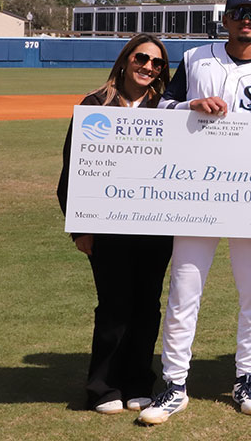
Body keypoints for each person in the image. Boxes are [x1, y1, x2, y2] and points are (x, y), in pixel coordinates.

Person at [139, 0, 251, 425]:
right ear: (225, 19)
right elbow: (160, 107)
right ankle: (174, 384)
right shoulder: (195, 60)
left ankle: (246, 377)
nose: (246, 19)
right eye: (238, 12)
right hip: (196, 192)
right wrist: (190, 105)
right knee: (184, 290)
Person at [57, 34, 173, 415]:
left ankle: (139, 381)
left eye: (156, 63)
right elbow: (73, 170)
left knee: (147, 306)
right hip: (107, 229)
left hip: (155, 229)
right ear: (125, 60)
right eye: (141, 58)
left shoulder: (166, 108)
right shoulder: (95, 105)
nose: (148, 67)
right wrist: (80, 228)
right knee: (113, 305)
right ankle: (103, 387)